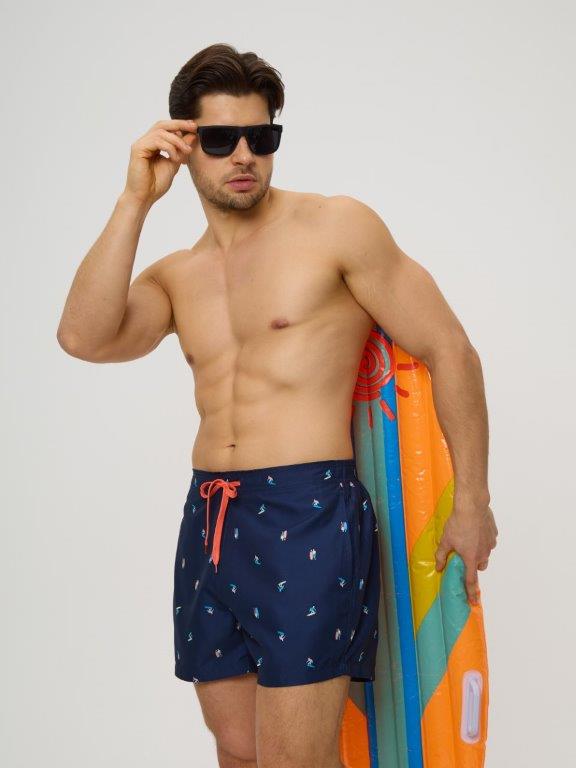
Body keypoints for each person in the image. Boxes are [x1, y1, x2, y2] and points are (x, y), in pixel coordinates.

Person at [56, 43, 498, 768]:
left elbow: (452, 350)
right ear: (183, 144)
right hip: (210, 517)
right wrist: (135, 199)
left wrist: (472, 502)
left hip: (309, 509)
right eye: (221, 139)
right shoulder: (177, 276)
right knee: (238, 751)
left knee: (296, 759)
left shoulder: (337, 229)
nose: (244, 155)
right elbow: (83, 336)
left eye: (261, 137)